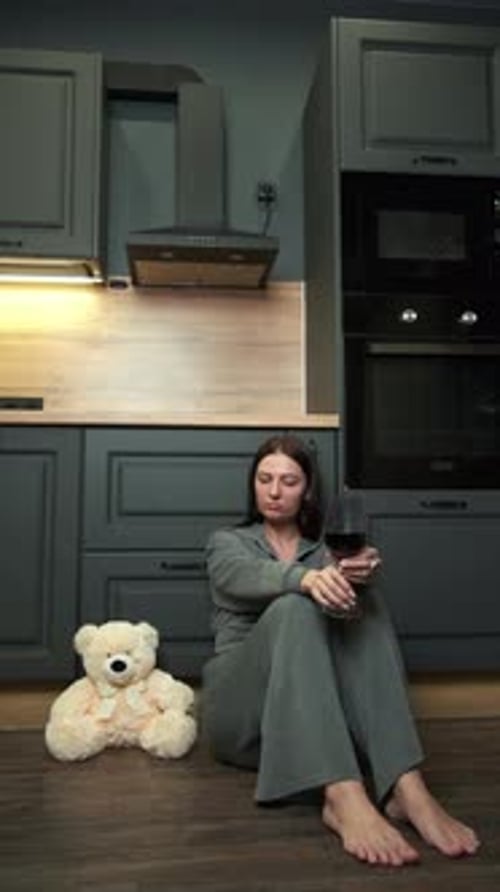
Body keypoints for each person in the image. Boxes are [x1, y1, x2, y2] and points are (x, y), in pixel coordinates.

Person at [202, 433, 480, 867]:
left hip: (311, 723)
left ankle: (406, 785)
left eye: (289, 481)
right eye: (264, 479)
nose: (274, 491)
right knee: (295, 605)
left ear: (307, 489)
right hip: (242, 716)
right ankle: (342, 794)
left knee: (366, 602)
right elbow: (241, 576)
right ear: (252, 484)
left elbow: (348, 619)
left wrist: (358, 576)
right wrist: (308, 580)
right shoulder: (228, 543)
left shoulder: (324, 550)